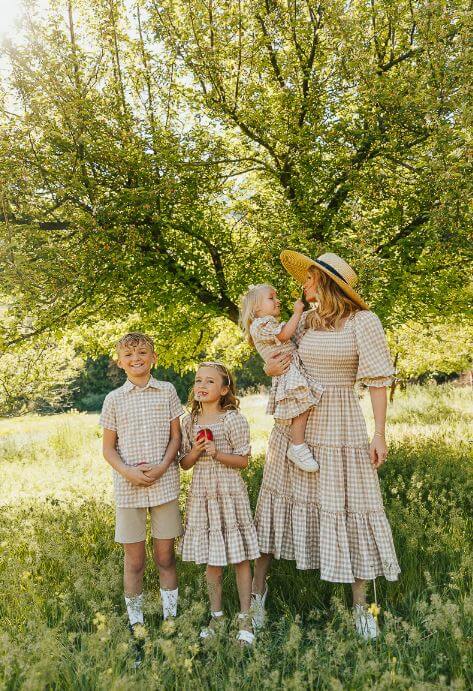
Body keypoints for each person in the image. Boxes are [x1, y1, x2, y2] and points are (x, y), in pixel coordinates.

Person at [252, 251, 400, 640]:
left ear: (326, 284)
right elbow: (279, 353)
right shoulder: (305, 322)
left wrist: (380, 432)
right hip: (296, 423)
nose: (303, 285)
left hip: (341, 423)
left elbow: (378, 381)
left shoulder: (364, 322)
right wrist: (268, 368)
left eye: (310, 279)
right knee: (275, 505)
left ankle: (362, 608)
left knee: (352, 509)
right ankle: (256, 599)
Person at [100, 332, 183, 660]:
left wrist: (163, 465)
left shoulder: (167, 391)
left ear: (154, 357)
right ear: (120, 363)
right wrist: (128, 471)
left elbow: (176, 437)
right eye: (129, 356)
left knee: (165, 557)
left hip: (164, 484)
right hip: (128, 488)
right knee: (134, 561)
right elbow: (108, 449)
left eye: (142, 353)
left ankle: (170, 620)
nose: (136, 360)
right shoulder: (114, 400)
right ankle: (137, 626)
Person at [179, 361, 260, 645]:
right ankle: (216, 615)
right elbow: (185, 464)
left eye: (210, 382)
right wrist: (196, 450)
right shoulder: (189, 422)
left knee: (239, 558)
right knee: (212, 560)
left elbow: (243, 460)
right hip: (203, 495)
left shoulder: (232, 420)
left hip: (229, 493)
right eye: (198, 380)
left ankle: (245, 618)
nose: (201, 385)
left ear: (224, 390)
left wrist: (217, 453)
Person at [239, 284, 324, 472]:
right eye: (271, 298)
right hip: (287, 371)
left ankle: (298, 445)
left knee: (301, 407)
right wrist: (297, 312)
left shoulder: (265, 324)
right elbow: (285, 335)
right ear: (256, 308)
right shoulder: (260, 325)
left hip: (290, 368)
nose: (278, 301)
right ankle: (297, 446)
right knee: (301, 407)